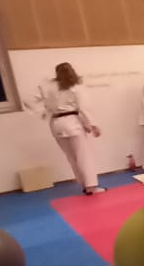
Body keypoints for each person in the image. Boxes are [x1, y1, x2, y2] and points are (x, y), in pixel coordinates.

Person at [32, 62, 105, 195]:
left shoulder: (49, 88)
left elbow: (39, 102)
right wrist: (92, 125)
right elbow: (84, 108)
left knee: (71, 157)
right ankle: (91, 186)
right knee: (83, 156)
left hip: (56, 123)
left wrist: (41, 112)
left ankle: (83, 184)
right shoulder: (76, 87)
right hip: (72, 122)